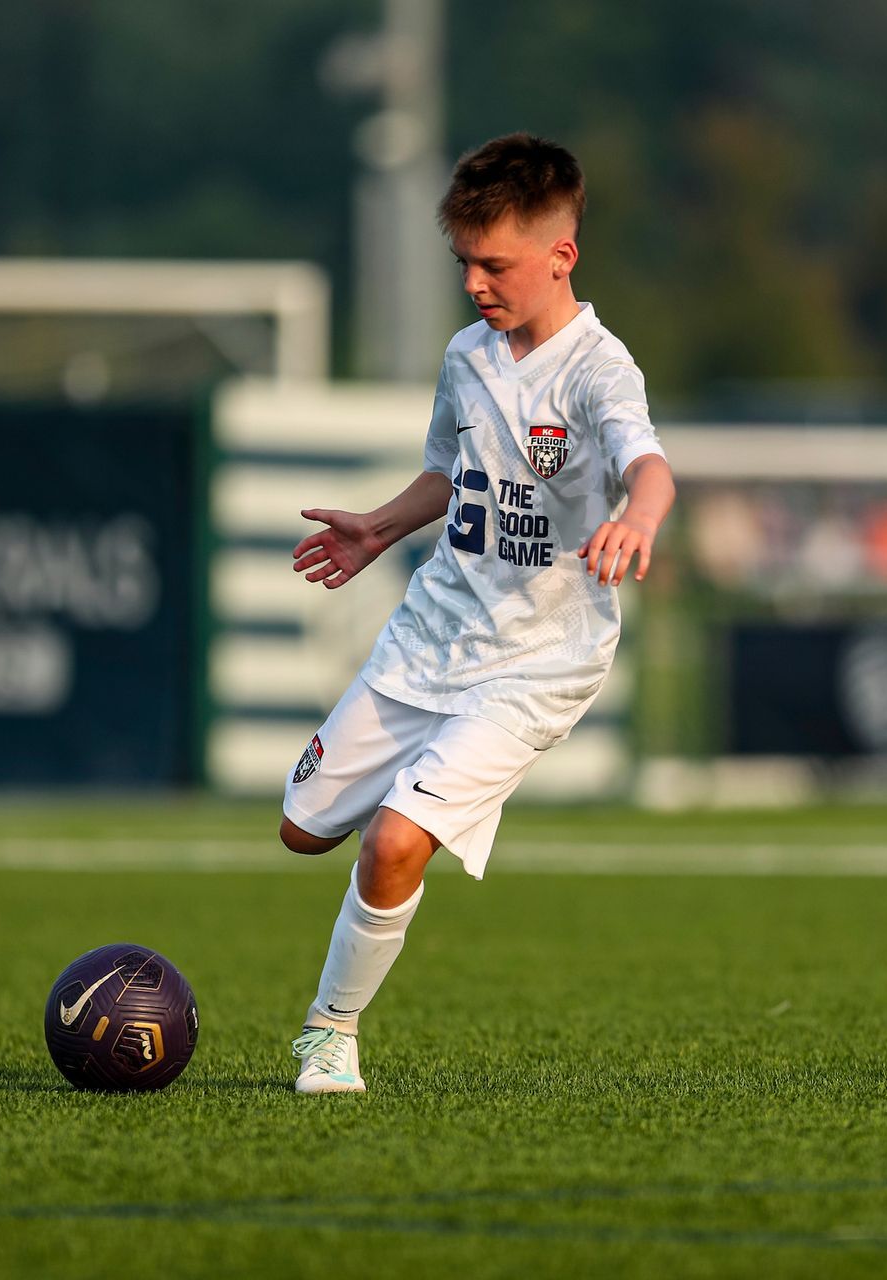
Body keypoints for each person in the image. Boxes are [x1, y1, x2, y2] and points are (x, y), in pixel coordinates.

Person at [278, 133, 676, 1094]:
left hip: (540, 658)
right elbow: (452, 471)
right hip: (431, 636)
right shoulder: (467, 355)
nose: (475, 284)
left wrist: (639, 519)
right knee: (301, 831)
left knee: (392, 841)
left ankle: (331, 1032)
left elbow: (649, 466)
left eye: (494, 265)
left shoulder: (598, 371)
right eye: (464, 263)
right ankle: (417, 800)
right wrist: (379, 528)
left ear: (560, 256)